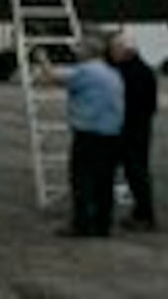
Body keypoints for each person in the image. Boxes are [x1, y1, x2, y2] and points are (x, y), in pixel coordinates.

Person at [36, 34, 124, 237]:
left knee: (82, 180)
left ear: (89, 52)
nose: (76, 52)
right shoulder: (112, 73)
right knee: (105, 182)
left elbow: (52, 78)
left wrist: (42, 59)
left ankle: (81, 225)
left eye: (80, 49)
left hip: (89, 134)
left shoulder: (85, 72)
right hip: (112, 134)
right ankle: (103, 225)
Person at [110, 32, 159, 230]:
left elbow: (133, 104)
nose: (112, 54)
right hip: (139, 129)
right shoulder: (141, 70)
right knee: (135, 173)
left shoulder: (133, 73)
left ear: (126, 51)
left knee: (136, 173)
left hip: (130, 130)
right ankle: (141, 213)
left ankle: (145, 216)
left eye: (115, 50)